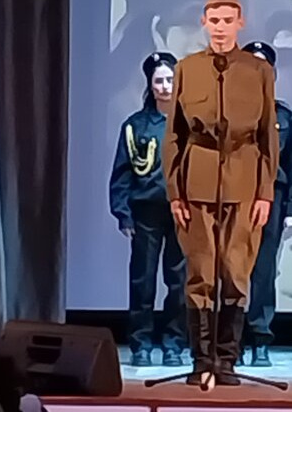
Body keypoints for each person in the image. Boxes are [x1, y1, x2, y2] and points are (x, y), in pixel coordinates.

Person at [163, 0, 279, 386]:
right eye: (214, 20)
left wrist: (265, 192)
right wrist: (174, 192)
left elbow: (267, 136)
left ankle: (226, 360)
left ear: (240, 23)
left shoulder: (258, 71)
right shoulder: (187, 68)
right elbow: (174, 135)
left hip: (244, 181)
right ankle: (201, 360)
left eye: (228, 21)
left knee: (235, 270)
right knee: (200, 272)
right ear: (204, 22)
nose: (220, 28)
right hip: (197, 179)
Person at [109, 52, 187, 368]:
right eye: (159, 81)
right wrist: (123, 214)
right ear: (150, 85)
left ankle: (174, 344)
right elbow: (122, 172)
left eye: (170, 80)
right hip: (146, 213)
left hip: (183, 214)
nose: (165, 87)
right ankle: (140, 344)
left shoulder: (191, 124)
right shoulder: (136, 125)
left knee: (179, 282)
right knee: (142, 281)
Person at [241, 41, 292, 367]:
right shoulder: (226, 112)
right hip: (235, 197)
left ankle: (260, 337)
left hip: (271, 198)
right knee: (232, 271)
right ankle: (232, 340)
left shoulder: (282, 116)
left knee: (264, 272)